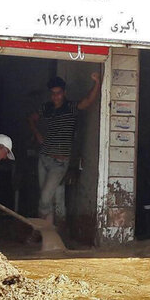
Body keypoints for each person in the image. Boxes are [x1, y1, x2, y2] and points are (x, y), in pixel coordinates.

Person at [28, 73, 101, 224]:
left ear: (64, 93)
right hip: (44, 158)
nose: (56, 97)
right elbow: (31, 119)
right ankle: (56, 235)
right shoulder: (46, 108)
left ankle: (41, 230)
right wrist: (37, 134)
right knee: (57, 198)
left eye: (59, 93)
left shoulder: (71, 107)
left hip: (60, 162)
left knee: (45, 198)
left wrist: (97, 83)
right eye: (53, 94)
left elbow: (88, 101)